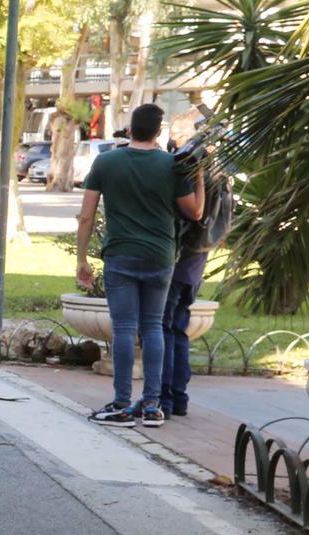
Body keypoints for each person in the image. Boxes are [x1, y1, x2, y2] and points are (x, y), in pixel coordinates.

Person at [75, 103, 202, 429]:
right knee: (153, 328)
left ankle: (120, 404)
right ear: (158, 132)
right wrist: (198, 176)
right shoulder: (173, 165)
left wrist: (82, 259)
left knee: (123, 330)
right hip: (160, 257)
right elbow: (195, 212)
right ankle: (152, 406)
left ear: (130, 129)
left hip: (120, 255)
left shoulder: (106, 162)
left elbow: (87, 214)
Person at [157, 146, 216, 420]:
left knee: (164, 329)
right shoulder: (220, 180)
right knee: (178, 329)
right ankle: (178, 398)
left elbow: (191, 214)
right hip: (195, 265)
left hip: (179, 262)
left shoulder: (193, 176)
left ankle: (164, 399)